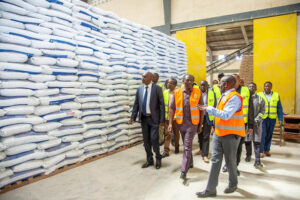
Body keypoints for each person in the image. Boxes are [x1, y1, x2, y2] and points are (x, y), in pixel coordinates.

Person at [196, 75, 246, 198]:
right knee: (215, 161)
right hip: (219, 133)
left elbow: (226, 115)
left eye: (222, 83)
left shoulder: (234, 97)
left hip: (231, 135)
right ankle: (210, 189)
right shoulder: (224, 95)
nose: (219, 85)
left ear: (228, 84)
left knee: (230, 161)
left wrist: (209, 108)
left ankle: (233, 184)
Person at [168, 74, 204, 179]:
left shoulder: (197, 92)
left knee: (187, 146)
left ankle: (184, 170)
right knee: (186, 144)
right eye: (187, 80)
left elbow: (202, 109)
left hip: (192, 123)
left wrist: (200, 124)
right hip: (181, 123)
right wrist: (170, 123)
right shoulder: (177, 92)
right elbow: (172, 108)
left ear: (193, 82)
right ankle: (191, 162)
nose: (189, 82)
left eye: (191, 80)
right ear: (183, 80)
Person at [129, 72, 165, 169]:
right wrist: (133, 116)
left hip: (154, 119)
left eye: (144, 76)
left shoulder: (157, 89)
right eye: (142, 76)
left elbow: (162, 105)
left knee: (154, 139)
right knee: (146, 142)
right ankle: (149, 160)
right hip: (144, 119)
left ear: (150, 78)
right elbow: (136, 103)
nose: (142, 78)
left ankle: (158, 158)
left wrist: (162, 119)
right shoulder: (140, 89)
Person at [222, 74, 254, 176]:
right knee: (227, 146)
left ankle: (235, 166)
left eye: (235, 80)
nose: (234, 82)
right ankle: (227, 164)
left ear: (239, 81)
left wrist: (251, 124)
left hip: (241, 123)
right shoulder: (226, 91)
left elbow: (250, 108)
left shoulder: (246, 91)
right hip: (227, 123)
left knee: (238, 146)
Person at [257, 81, 283, 157]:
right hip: (262, 118)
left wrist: (280, 119)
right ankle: (261, 151)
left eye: (268, 86)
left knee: (269, 134)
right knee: (263, 134)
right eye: (265, 86)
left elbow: (279, 108)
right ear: (263, 87)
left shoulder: (276, 95)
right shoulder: (259, 95)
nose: (267, 87)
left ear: (271, 87)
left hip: (272, 119)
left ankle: (267, 150)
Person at [195, 80, 217, 163]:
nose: (203, 87)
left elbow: (214, 106)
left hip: (207, 118)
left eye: (205, 85)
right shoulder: (196, 93)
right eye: (201, 85)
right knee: (199, 134)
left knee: (206, 136)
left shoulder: (212, 93)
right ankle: (201, 149)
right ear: (200, 86)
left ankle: (205, 155)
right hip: (198, 117)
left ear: (207, 86)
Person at [245, 82, 265, 168]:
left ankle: (257, 160)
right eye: (249, 87)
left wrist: (256, 119)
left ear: (256, 89)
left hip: (257, 124)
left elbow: (262, 111)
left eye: (253, 87)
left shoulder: (260, 99)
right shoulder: (245, 98)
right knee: (247, 141)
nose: (251, 88)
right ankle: (248, 155)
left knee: (257, 142)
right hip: (247, 124)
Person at [162, 78, 180, 157]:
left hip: (176, 118)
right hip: (167, 117)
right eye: (168, 83)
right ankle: (166, 151)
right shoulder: (165, 92)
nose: (168, 84)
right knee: (167, 134)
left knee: (176, 133)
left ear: (175, 85)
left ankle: (176, 146)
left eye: (170, 83)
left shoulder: (179, 92)